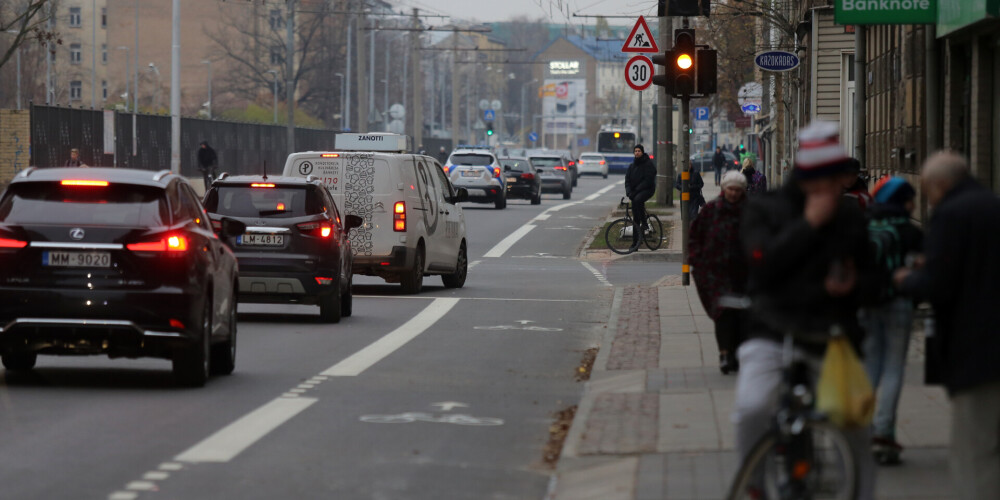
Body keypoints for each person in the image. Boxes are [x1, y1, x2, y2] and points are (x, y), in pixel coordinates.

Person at [735, 120, 876, 499]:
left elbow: (872, 275)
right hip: (773, 329)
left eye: (837, 183)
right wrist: (810, 224)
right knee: (753, 407)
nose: (832, 191)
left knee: (856, 428)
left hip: (832, 337)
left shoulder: (848, 217)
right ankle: (753, 486)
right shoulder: (766, 209)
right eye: (825, 182)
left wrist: (854, 284)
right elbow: (761, 263)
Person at [894, 152, 1000, 500]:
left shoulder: (950, 215)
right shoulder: (991, 204)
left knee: (976, 454)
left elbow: (938, 284)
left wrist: (908, 279)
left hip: (976, 349)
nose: (926, 196)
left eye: (926, 188)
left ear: (940, 184)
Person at [860, 176, 923, 465]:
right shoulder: (911, 231)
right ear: (903, 201)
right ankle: (884, 432)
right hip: (899, 303)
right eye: (911, 199)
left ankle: (864, 427)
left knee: (871, 365)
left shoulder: (864, 225)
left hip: (868, 303)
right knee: (895, 368)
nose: (913, 204)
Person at [689, 170, 748, 374]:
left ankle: (737, 353)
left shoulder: (750, 211)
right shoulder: (711, 210)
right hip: (715, 274)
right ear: (724, 189)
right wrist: (697, 261)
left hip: (742, 274)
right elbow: (695, 236)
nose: (733, 193)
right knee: (722, 313)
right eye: (730, 189)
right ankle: (724, 353)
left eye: (737, 190)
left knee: (741, 315)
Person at [624, 144, 656, 252]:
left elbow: (648, 180)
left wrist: (636, 191)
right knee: (635, 219)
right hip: (634, 192)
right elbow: (627, 181)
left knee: (638, 200)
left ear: (642, 152)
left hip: (647, 190)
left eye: (639, 151)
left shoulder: (647, 164)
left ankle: (645, 223)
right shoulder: (632, 166)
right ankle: (635, 243)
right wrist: (629, 192)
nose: (637, 153)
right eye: (635, 151)